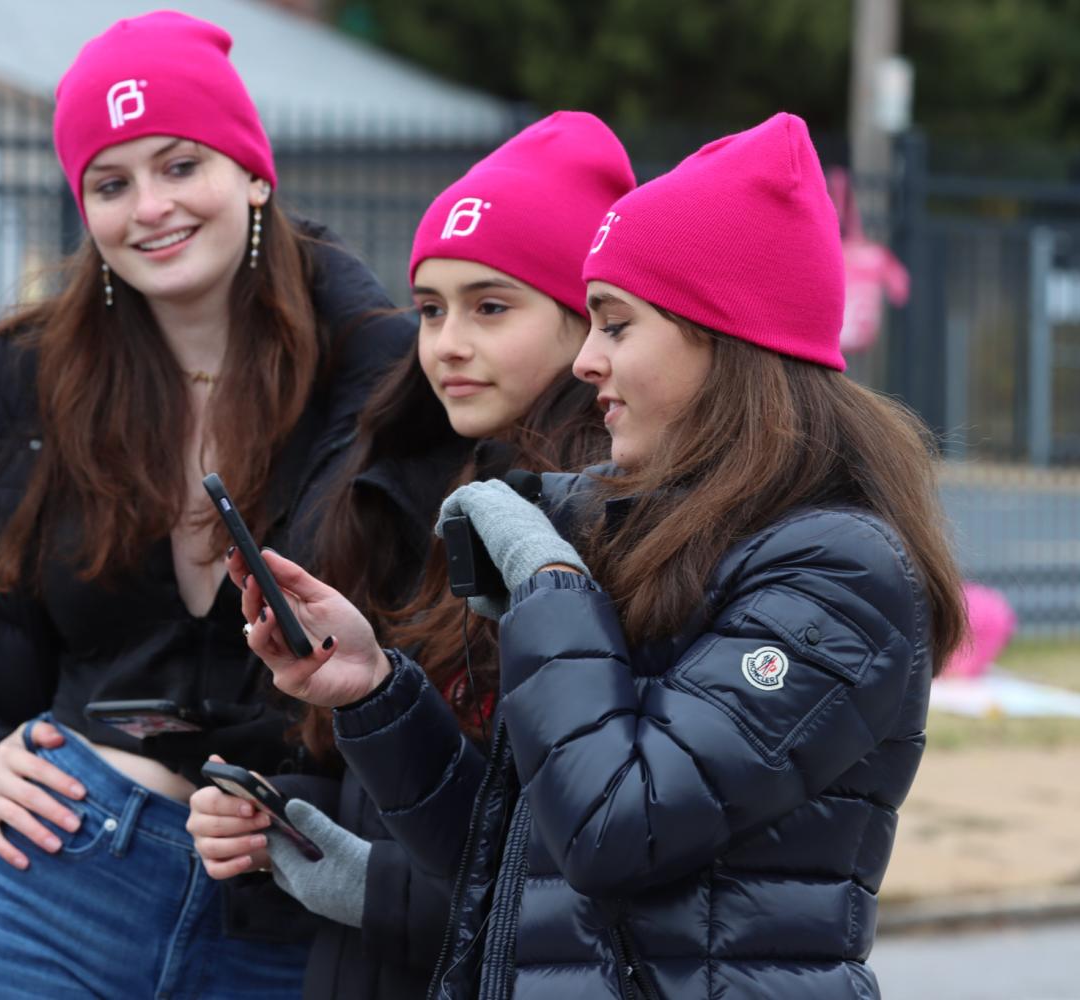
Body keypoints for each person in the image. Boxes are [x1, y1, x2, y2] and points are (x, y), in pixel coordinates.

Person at [226, 112, 967, 999]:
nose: (585, 360)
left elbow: (617, 829)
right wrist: (377, 696)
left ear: (721, 337)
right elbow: (518, 868)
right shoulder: (649, 533)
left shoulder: (838, 573)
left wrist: (549, 587)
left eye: (614, 324)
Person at [0, 11, 420, 999]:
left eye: (182, 165)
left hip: (297, 913)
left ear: (253, 172)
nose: (150, 208)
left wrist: (322, 806)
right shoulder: (22, 391)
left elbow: (449, 664)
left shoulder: (389, 382)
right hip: (61, 886)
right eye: (111, 181)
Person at [185, 112, 634, 999]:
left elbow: (570, 879)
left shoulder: (606, 522)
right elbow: (372, 777)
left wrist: (367, 885)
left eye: (490, 306)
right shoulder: (392, 483)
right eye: (430, 309)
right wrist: (270, 810)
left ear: (585, 322)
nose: (446, 343)